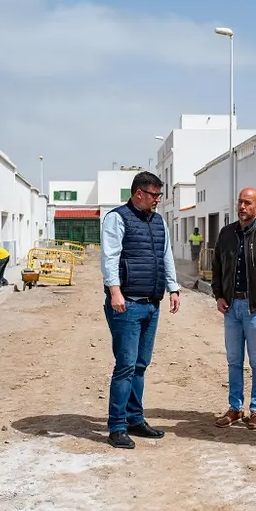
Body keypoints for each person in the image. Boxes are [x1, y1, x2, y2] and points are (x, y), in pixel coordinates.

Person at [101, 171, 181, 449]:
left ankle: (135, 419)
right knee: (125, 366)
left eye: (159, 195)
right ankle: (117, 426)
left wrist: (173, 287)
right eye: (154, 195)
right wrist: (114, 291)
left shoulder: (158, 221)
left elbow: (165, 254)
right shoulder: (117, 218)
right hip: (127, 303)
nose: (158, 200)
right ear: (138, 194)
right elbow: (110, 256)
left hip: (151, 304)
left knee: (140, 365)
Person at [212, 188, 256, 430]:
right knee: (233, 360)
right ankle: (235, 408)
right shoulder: (226, 233)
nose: (242, 207)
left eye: (247, 203)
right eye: (239, 202)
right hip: (231, 307)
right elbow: (218, 266)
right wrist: (218, 295)